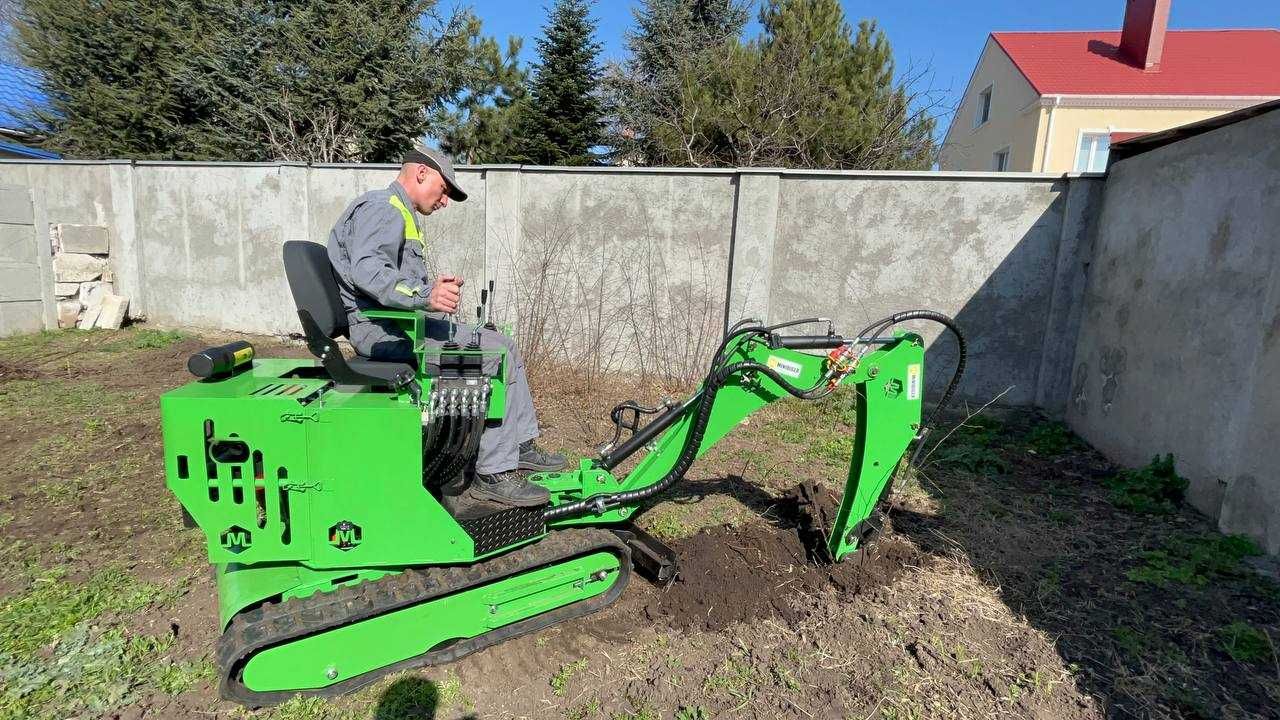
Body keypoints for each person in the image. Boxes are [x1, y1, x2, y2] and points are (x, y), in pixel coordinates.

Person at [326, 145, 564, 507]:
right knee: (495, 354)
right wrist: (426, 295)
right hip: (385, 335)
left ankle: (518, 446)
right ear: (421, 172)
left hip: (402, 327)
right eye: (444, 189)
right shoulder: (382, 209)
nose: (445, 201)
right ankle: (493, 474)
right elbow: (369, 272)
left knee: (501, 342)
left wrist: (430, 298)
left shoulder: (400, 212)